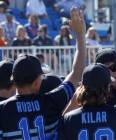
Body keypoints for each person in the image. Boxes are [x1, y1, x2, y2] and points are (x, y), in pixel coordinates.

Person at [0, 8, 86, 139]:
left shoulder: (3, 109)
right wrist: (80, 35)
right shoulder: (51, 101)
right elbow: (76, 74)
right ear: (36, 83)